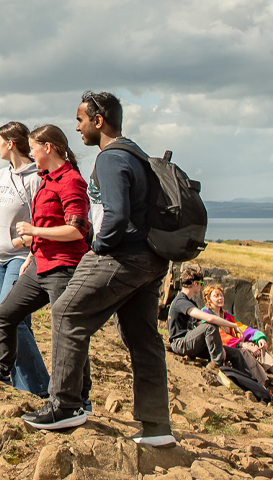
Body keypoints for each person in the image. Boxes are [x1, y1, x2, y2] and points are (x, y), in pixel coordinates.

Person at [22, 91, 174, 448]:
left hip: (122, 256)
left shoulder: (110, 158)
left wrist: (98, 248)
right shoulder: (134, 154)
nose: (76, 127)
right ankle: (157, 428)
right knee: (143, 338)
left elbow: (117, 216)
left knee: (66, 312)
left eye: (80, 120)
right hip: (151, 260)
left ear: (98, 120)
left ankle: (65, 405)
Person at [0, 123, 74, 399]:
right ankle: (23, 386)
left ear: (10, 143)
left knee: (12, 317)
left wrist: (25, 244)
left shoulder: (35, 178)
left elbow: (44, 217)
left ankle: (39, 387)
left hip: (20, 258)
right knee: (18, 322)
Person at [166, 270, 273, 403]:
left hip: (193, 343)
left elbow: (198, 326)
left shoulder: (190, 302)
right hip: (180, 344)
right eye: (201, 283)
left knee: (236, 354)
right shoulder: (181, 301)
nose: (201, 286)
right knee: (209, 325)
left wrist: (220, 347)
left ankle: (255, 387)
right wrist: (232, 325)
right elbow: (208, 319)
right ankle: (216, 364)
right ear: (196, 283)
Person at [201, 284, 273, 395]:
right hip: (222, 353)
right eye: (216, 296)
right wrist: (243, 345)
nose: (220, 298)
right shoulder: (205, 315)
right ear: (208, 299)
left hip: (234, 346)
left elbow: (242, 328)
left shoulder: (227, 316)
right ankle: (261, 386)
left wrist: (259, 337)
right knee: (245, 351)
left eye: (222, 295)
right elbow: (220, 337)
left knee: (256, 346)